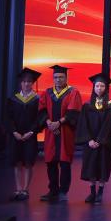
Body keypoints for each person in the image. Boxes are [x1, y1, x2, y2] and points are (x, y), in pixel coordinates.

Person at [39, 64, 82, 202]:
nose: (58, 80)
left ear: (66, 78)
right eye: (56, 77)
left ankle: (63, 191)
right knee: (50, 162)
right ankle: (52, 190)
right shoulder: (47, 93)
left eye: (61, 77)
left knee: (65, 162)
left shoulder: (73, 92)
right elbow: (41, 110)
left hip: (65, 132)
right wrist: (48, 122)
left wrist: (59, 122)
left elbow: (73, 112)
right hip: (50, 132)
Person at [75, 73, 111, 204]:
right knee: (91, 166)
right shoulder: (87, 106)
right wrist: (89, 140)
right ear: (93, 87)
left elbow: (109, 124)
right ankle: (92, 192)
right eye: (97, 86)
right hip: (90, 143)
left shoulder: (110, 105)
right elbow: (83, 124)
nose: (99, 88)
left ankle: (100, 192)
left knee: (103, 166)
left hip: (104, 143)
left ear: (106, 88)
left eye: (102, 86)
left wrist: (100, 140)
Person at [5, 67, 41, 201]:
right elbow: (8, 117)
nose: (26, 84)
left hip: (30, 136)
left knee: (28, 162)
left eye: (29, 82)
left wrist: (31, 132)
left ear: (33, 83)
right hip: (16, 136)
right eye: (24, 81)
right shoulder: (13, 99)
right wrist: (14, 131)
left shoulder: (37, 99)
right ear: (21, 83)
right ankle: (18, 188)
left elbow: (39, 119)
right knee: (17, 162)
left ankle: (25, 189)